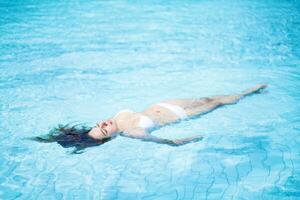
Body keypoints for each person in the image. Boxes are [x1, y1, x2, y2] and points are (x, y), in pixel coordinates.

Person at [32, 84, 267, 153]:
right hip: (181, 115)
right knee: (215, 103)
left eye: (98, 124)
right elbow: (168, 143)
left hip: (167, 103)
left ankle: (247, 92)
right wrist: (190, 139)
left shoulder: (116, 116)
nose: (103, 124)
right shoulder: (133, 133)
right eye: (104, 130)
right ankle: (250, 93)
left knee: (207, 96)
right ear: (110, 139)